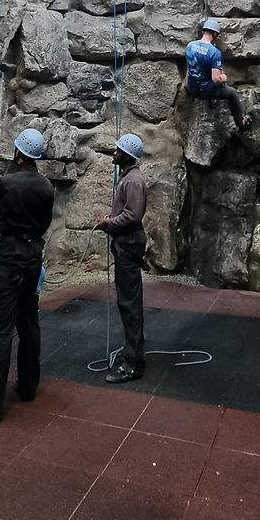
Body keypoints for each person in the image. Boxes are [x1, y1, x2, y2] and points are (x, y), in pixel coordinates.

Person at [0, 128, 55, 423]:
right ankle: (28, 385)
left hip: (10, 258)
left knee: (3, 329)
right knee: (29, 319)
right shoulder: (46, 187)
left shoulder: (7, 182)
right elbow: (44, 223)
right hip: (33, 259)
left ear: (18, 153)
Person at [97, 133, 148, 383]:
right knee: (128, 302)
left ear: (127, 155)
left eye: (118, 150)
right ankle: (134, 354)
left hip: (128, 247)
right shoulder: (129, 179)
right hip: (126, 246)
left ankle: (132, 363)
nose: (114, 153)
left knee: (129, 304)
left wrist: (109, 224)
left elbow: (133, 216)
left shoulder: (133, 181)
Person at [186, 19, 252, 131]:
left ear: (203, 31)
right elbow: (215, 79)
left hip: (192, 88)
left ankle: (210, 101)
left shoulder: (190, 46)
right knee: (232, 92)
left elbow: (199, 64)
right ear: (215, 34)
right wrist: (223, 77)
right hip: (206, 91)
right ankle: (241, 123)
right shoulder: (214, 52)